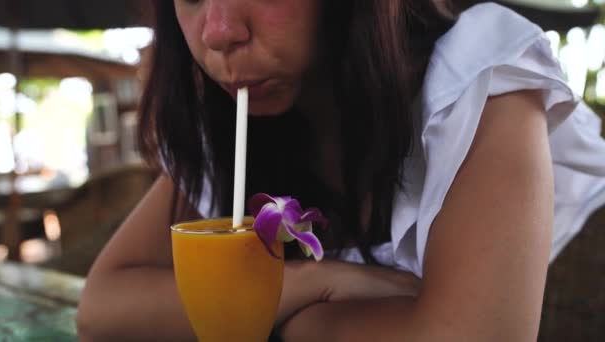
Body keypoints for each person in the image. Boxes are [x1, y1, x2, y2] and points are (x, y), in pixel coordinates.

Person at [77, 0, 605, 340]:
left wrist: (271, 321)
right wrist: (319, 283)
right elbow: (101, 308)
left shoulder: (477, 83)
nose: (217, 33)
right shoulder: (232, 130)